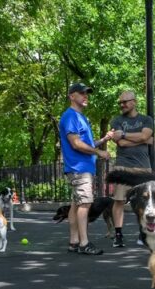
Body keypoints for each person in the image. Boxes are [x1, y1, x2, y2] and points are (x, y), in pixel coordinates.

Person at [60, 82, 113, 255]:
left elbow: (86, 144)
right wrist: (99, 152)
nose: (85, 96)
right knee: (85, 203)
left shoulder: (81, 118)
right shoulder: (70, 117)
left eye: (86, 93)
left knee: (76, 204)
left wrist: (104, 140)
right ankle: (84, 243)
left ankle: (74, 241)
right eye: (81, 93)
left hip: (82, 167)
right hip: (78, 168)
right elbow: (76, 144)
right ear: (72, 96)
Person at [109, 90, 155, 248]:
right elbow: (121, 143)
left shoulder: (146, 119)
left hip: (143, 167)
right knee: (119, 200)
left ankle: (143, 234)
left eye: (125, 102)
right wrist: (143, 139)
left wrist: (124, 135)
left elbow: (145, 136)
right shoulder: (116, 121)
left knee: (146, 202)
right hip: (123, 166)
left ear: (134, 102)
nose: (122, 105)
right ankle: (118, 235)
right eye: (120, 102)